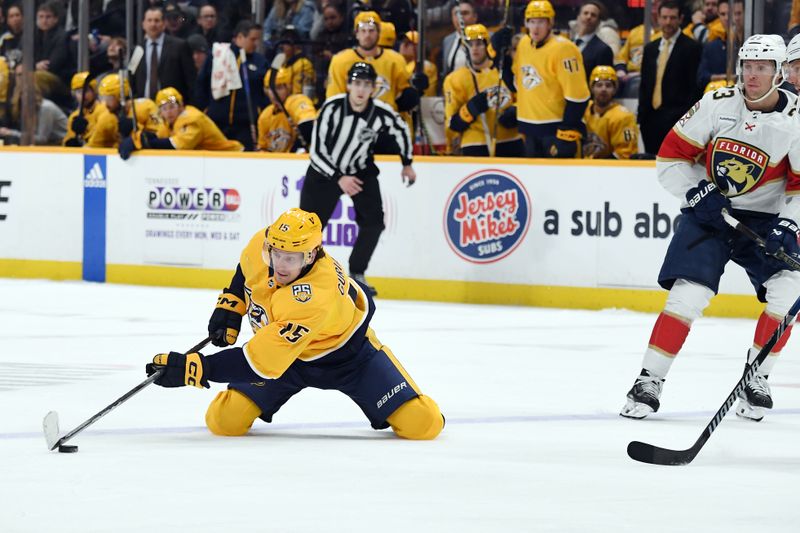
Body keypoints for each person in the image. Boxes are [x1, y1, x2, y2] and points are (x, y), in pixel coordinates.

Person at [146, 207, 444, 441]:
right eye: (276, 254)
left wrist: (194, 368)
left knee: (422, 425)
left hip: (350, 359)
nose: (280, 265)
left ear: (312, 254)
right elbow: (246, 270)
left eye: (292, 258)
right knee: (223, 422)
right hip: (289, 361)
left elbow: (257, 362)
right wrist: (231, 304)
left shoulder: (314, 297)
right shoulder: (263, 244)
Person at [620, 35, 800, 422]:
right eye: (747, 66)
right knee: (689, 294)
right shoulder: (716, 104)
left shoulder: (797, 120)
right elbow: (669, 158)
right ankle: (649, 380)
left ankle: (758, 377)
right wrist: (695, 191)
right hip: (710, 215)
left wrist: (790, 222)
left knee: (789, 290)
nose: (752, 75)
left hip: (764, 221)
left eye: (762, 67)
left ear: (780, 73)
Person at [300, 62, 414, 295]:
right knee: (308, 227)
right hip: (324, 173)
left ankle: (357, 273)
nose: (361, 89)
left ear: (373, 88)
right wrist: (339, 178)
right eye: (357, 83)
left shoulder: (381, 113)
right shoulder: (331, 108)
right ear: (349, 85)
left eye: (366, 84)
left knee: (374, 222)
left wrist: (407, 163)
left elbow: (401, 130)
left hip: (360, 170)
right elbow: (317, 152)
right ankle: (304, 272)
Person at [500, 0, 589, 158]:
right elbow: (518, 84)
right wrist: (501, 58)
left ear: (550, 23)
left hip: (555, 132)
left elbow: (578, 97)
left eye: (541, 22)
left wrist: (566, 133)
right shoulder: (524, 44)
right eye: (531, 22)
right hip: (528, 130)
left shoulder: (564, 49)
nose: (535, 27)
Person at [443, 24, 522, 157]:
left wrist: (517, 110)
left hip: (510, 140)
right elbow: (451, 123)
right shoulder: (454, 79)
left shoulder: (505, 71)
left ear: (487, 45)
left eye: (479, 43)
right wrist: (469, 110)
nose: (474, 49)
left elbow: (527, 99)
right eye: (470, 44)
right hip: (475, 144)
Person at [637, 1, 702, 155]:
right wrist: (642, 116)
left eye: (672, 18)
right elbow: (644, 84)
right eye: (664, 17)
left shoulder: (692, 48)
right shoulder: (650, 48)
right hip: (650, 120)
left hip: (677, 120)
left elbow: (694, 87)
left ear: (680, 19)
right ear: (658, 18)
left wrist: (684, 118)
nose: (668, 22)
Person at [195, 20, 268, 151]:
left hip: (245, 125)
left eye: (258, 40)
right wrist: (206, 109)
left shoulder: (260, 61)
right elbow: (202, 83)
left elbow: (264, 92)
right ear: (240, 37)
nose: (256, 44)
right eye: (253, 39)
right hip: (216, 123)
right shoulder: (218, 56)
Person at [326, 11, 417, 113]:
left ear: (379, 33)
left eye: (371, 30)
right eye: (363, 30)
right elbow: (334, 99)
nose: (367, 35)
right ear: (356, 34)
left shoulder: (395, 60)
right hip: (352, 122)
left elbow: (404, 97)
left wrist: (415, 89)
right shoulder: (340, 61)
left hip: (387, 122)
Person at [119, 86, 243, 158]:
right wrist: (140, 137)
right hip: (214, 161)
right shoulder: (167, 123)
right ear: (160, 112)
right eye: (164, 109)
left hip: (233, 158)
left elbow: (178, 145)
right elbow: (159, 137)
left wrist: (146, 142)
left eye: (172, 107)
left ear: (181, 105)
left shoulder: (192, 118)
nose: (169, 112)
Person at [133, 6, 197, 104]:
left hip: (171, 105)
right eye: (149, 20)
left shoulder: (180, 46)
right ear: (143, 24)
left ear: (163, 24)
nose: (153, 24)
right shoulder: (138, 49)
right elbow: (131, 77)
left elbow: (191, 79)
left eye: (156, 20)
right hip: (144, 106)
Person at [88, 73, 161, 148]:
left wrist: (138, 131)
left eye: (109, 98)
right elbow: (92, 146)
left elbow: (160, 137)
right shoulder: (106, 118)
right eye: (103, 98)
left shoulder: (146, 107)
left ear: (119, 96)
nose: (105, 103)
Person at [582, 66, 637, 159]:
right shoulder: (583, 110)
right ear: (592, 88)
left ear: (614, 89)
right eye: (599, 85)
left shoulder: (624, 117)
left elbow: (625, 153)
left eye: (608, 85)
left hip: (610, 169)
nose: (603, 89)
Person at [257, 67, 316, 152]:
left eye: (279, 88)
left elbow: (308, 124)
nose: (274, 94)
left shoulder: (297, 101)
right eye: (271, 89)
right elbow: (263, 148)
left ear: (288, 87)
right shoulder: (265, 115)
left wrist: (295, 152)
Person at [573, 1, 614, 84]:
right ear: (578, 17)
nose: (588, 17)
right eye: (585, 13)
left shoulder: (604, 50)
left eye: (593, 15)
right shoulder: (566, 44)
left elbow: (602, 85)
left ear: (598, 22)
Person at [63, 72, 108, 147]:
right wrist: (72, 141)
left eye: (86, 91)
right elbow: (67, 141)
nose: (83, 96)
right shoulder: (74, 116)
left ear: (94, 91)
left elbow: (101, 136)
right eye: (79, 92)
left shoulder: (104, 110)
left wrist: (87, 128)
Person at [440, 0, 478, 81]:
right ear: (452, 18)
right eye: (457, 14)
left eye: (465, 13)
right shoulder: (447, 40)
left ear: (475, 17)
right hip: (454, 90)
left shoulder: (487, 38)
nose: (461, 18)